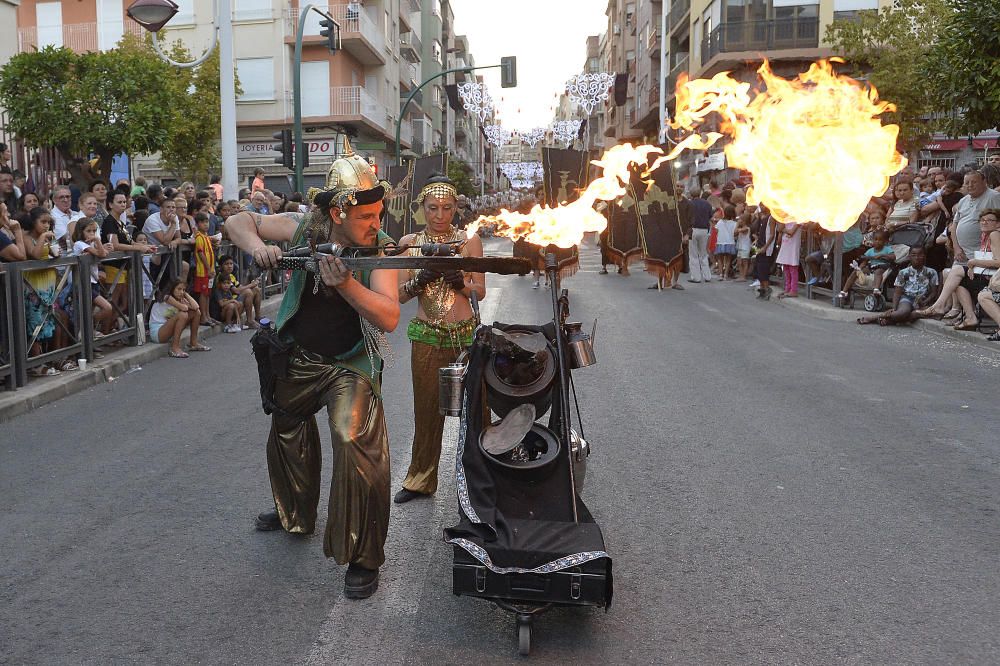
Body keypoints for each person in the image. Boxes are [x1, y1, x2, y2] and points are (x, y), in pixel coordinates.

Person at [225, 139, 399, 600]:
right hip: (299, 356)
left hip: (350, 364)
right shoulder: (305, 228)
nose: (376, 224)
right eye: (366, 217)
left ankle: (363, 557)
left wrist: (345, 287)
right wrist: (257, 244)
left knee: (351, 436)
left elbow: (388, 316)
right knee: (285, 422)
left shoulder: (382, 249)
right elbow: (236, 220)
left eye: (378, 214)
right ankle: (294, 512)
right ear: (339, 213)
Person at [394, 174, 485, 506]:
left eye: (447, 208)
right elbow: (401, 296)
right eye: (432, 208)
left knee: (473, 410)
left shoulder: (468, 241)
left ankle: (478, 481)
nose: (439, 215)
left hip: (464, 337)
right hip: (426, 336)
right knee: (427, 410)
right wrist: (421, 279)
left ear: (456, 208)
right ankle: (420, 479)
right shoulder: (409, 242)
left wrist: (458, 279)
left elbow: (480, 291)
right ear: (421, 209)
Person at [857, 246, 938, 325]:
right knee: (902, 313)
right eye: (913, 255)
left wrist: (926, 301)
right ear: (909, 257)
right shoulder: (903, 272)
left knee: (917, 314)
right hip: (907, 299)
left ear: (925, 256)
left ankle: (889, 321)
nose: (917, 257)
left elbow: (934, 292)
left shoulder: (931, 272)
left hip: (923, 300)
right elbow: (897, 292)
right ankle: (876, 317)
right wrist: (894, 308)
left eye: (920, 255)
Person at [71, 217, 116, 334]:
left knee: (89, 310)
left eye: (94, 231)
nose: (92, 234)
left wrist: (105, 247)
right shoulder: (79, 244)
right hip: (83, 282)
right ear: (81, 232)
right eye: (88, 231)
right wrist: (98, 241)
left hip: (93, 281)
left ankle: (88, 332)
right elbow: (100, 254)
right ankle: (89, 326)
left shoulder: (91, 243)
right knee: (107, 307)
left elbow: (103, 253)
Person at [150, 278, 211, 357]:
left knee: (196, 313)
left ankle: (194, 343)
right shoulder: (167, 297)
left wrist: (186, 294)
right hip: (158, 332)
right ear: (172, 289)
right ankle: (175, 348)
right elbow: (184, 308)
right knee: (183, 314)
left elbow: (196, 307)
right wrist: (184, 304)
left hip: (167, 330)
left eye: (183, 290)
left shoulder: (180, 299)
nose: (181, 292)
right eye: (179, 289)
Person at [839, 229, 894, 302]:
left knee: (878, 272)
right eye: (875, 239)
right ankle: (844, 291)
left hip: (882, 266)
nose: (877, 241)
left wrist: (882, 255)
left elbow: (893, 257)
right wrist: (859, 269)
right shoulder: (870, 251)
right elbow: (865, 261)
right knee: (855, 272)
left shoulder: (887, 249)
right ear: (872, 240)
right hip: (871, 267)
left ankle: (876, 289)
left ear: (885, 241)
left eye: (880, 240)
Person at [687, 188, 714, 283]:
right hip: (704, 230)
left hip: (693, 229)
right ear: (700, 193)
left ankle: (696, 277)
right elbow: (711, 216)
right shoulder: (707, 204)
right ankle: (707, 276)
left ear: (690, 194)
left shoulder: (689, 203)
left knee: (693, 254)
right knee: (703, 253)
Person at [210, 264, 245, 333]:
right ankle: (227, 325)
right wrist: (232, 300)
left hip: (228, 311)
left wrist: (238, 316)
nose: (226, 285)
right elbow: (221, 304)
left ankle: (235, 323)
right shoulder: (218, 291)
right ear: (219, 284)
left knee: (239, 304)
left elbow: (234, 304)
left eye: (228, 283)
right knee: (231, 305)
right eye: (224, 283)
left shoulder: (228, 291)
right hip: (218, 315)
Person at [49, 185, 83, 250]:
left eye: (68, 196)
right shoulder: (52, 216)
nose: (65, 200)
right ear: (54, 200)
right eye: (61, 197)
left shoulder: (75, 214)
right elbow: (66, 237)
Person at [714, 205, 737, 280]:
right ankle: (726, 275)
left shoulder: (720, 222)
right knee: (728, 260)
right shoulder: (734, 223)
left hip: (720, 241)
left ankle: (721, 274)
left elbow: (716, 230)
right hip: (730, 242)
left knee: (720, 259)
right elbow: (735, 233)